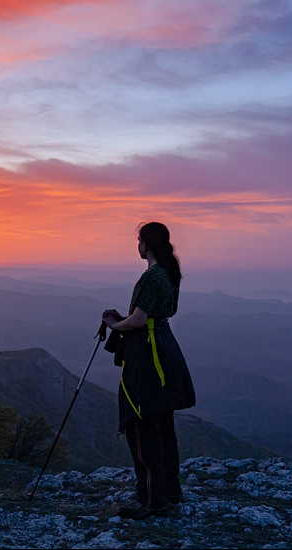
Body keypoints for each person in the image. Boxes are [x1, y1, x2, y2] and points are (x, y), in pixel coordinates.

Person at [101, 222, 196, 520]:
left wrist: (113, 324)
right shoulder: (170, 274)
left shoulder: (150, 277)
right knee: (163, 423)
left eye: (140, 240)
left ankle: (152, 501)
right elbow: (163, 314)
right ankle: (170, 490)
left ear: (146, 245)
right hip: (166, 348)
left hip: (147, 354)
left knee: (141, 423)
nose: (138, 245)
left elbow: (138, 321)